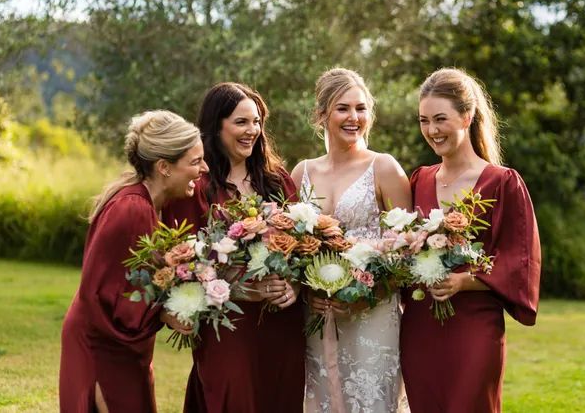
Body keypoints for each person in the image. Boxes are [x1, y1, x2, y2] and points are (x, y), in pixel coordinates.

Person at [400, 67, 541, 412]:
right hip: (420, 326)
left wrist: (464, 281)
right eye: (423, 120)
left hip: (475, 327)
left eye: (440, 119)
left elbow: (520, 260)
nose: (432, 130)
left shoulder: (502, 182)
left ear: (467, 116)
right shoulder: (418, 179)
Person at [162, 82, 305, 413]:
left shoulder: (277, 180)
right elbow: (181, 264)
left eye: (256, 122)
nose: (252, 130)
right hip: (227, 329)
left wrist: (293, 287)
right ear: (216, 125)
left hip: (281, 326)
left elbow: (301, 249)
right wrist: (243, 290)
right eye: (241, 122)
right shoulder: (196, 187)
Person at [59, 110, 208, 412]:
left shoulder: (149, 203)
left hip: (120, 347)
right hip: (103, 347)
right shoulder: (132, 208)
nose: (203, 169)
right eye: (195, 162)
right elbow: (108, 295)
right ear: (164, 167)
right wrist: (168, 313)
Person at [291, 67, 412, 413]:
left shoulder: (384, 168)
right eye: (343, 108)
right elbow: (291, 248)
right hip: (317, 316)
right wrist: (307, 288)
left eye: (361, 108)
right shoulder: (302, 173)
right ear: (321, 114)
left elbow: (406, 253)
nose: (354, 117)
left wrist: (366, 295)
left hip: (373, 315)